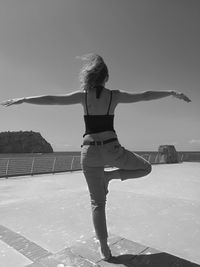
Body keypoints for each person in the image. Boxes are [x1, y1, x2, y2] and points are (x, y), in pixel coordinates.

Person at [1, 53, 191, 260]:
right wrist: (171, 92)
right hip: (112, 149)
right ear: (106, 77)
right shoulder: (114, 96)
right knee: (145, 168)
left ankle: (104, 247)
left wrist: (24, 99)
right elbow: (145, 95)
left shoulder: (83, 96)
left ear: (88, 76)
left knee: (97, 204)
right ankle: (110, 177)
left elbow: (53, 99)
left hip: (89, 152)